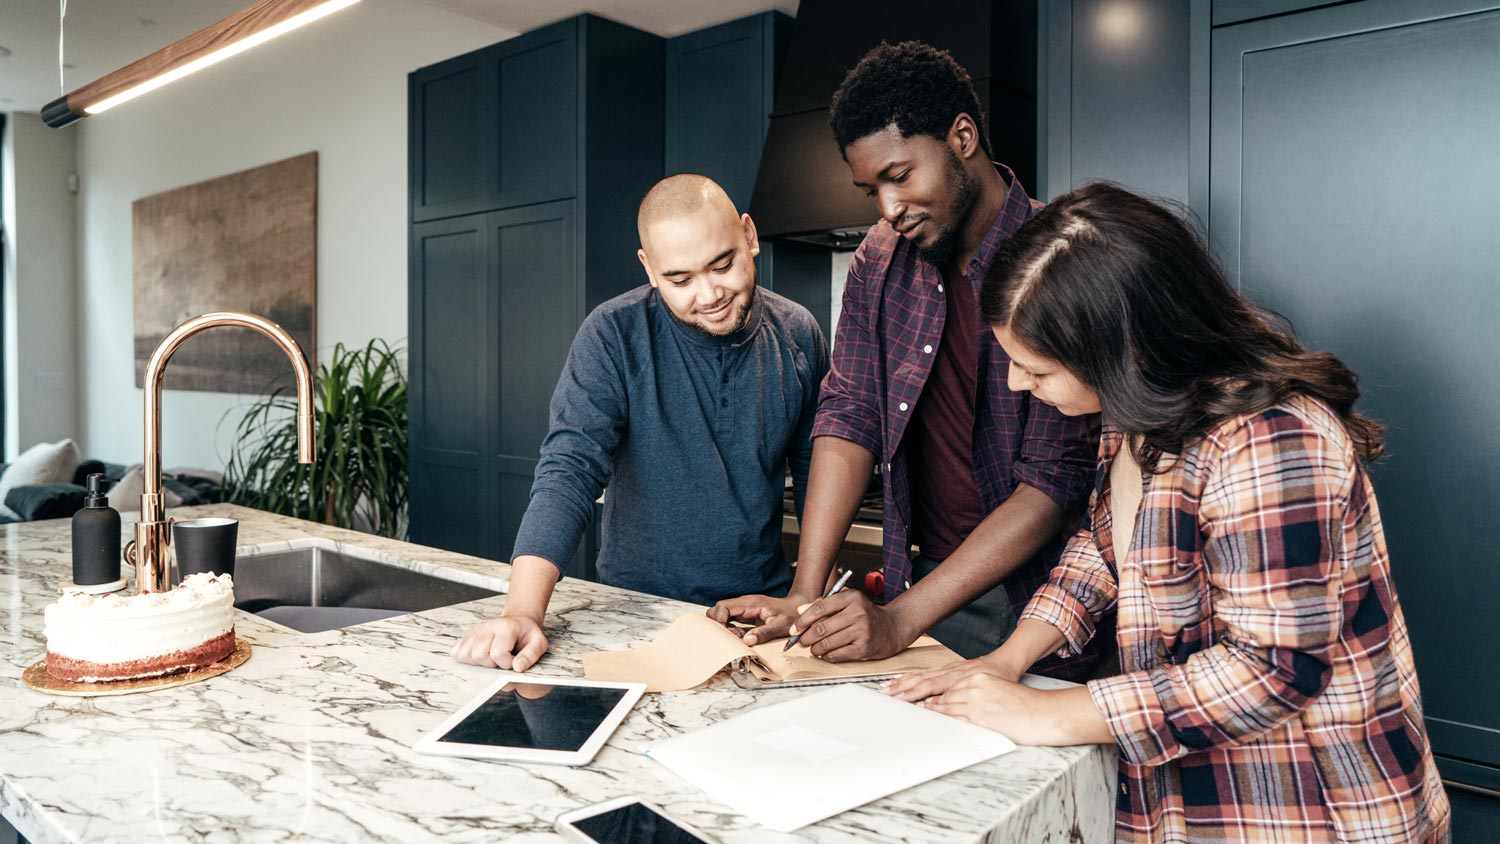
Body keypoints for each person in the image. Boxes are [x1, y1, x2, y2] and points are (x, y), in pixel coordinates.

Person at [888, 182, 1452, 843]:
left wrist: (1050, 714)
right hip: (1193, 802)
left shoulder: (1272, 440)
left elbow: (1270, 670)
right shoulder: (1136, 419)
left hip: (1315, 808)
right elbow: (1103, 553)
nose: (1019, 386)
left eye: (1036, 371)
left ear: (1119, 350)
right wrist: (1006, 662)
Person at [709, 41, 1103, 678]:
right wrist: (806, 593)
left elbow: (1054, 483)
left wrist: (898, 619)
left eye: (900, 175)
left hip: (1041, 603)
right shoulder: (879, 257)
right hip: (919, 585)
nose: (888, 208)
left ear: (963, 137)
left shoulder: (1054, 261)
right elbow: (850, 413)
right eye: (871, 190)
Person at [452, 174, 828, 672]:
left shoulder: (798, 331)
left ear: (749, 236)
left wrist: (811, 593)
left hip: (761, 614)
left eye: (723, 264)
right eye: (680, 279)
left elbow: (818, 469)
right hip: (636, 613)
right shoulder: (613, 334)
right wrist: (522, 611)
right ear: (649, 269)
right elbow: (569, 470)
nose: (709, 293)